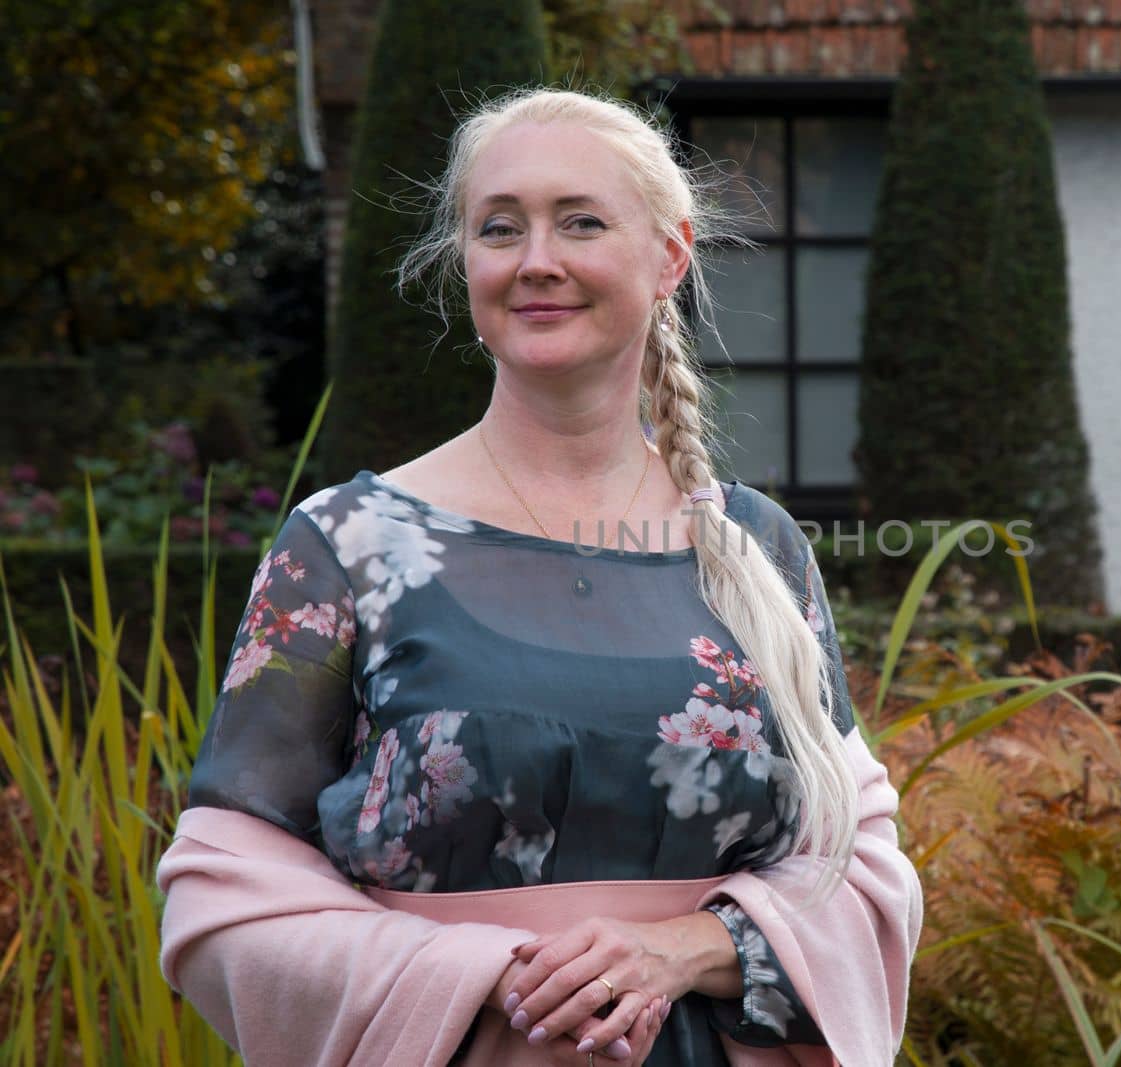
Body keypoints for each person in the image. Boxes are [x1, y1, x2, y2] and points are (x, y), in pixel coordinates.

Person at [155, 87, 922, 1067]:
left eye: (582, 222)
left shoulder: (755, 549)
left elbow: (860, 864)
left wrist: (688, 948)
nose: (536, 261)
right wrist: (492, 986)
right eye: (499, 227)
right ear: (465, 262)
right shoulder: (347, 544)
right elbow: (224, 888)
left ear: (669, 257)